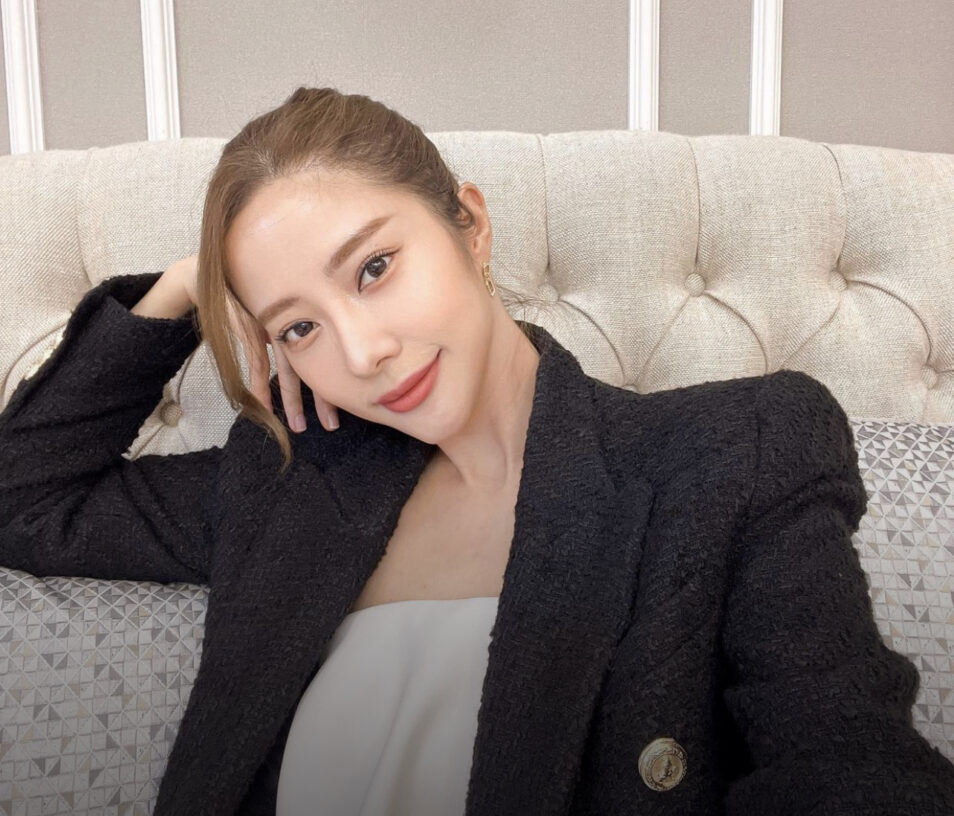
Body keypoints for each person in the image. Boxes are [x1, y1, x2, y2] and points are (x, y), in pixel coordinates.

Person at [1, 85, 953, 816]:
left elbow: (845, 759)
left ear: (471, 224)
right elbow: (25, 501)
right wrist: (188, 287)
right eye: (299, 327)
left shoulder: (730, 451)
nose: (362, 352)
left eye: (374, 268)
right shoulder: (285, 485)